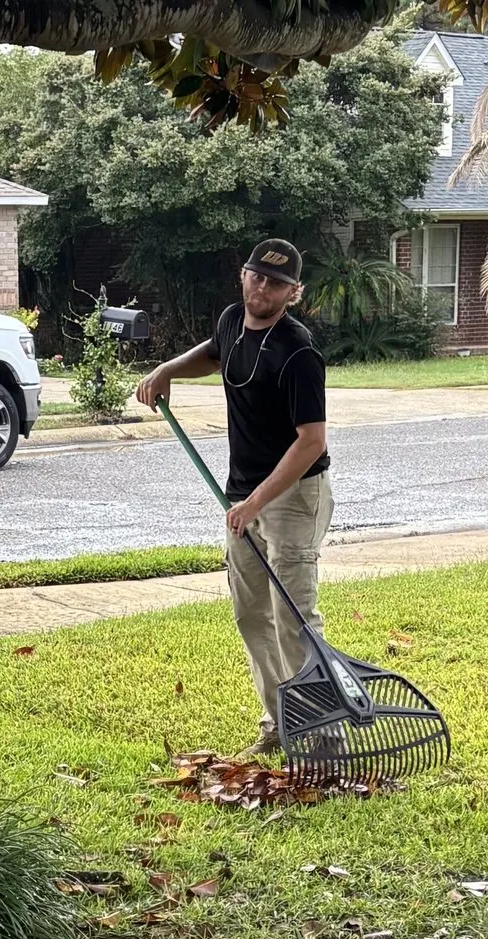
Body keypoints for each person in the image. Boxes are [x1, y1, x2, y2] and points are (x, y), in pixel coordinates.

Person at [136, 238, 334, 760]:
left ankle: (322, 732)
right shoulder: (231, 320)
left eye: (276, 283)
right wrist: (166, 371)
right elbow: (215, 352)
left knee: (293, 619)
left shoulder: (298, 353)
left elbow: (311, 441)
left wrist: (257, 503)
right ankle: (282, 722)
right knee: (252, 615)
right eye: (256, 276)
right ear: (243, 277)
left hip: (293, 496)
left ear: (293, 293)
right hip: (243, 497)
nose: (262, 287)